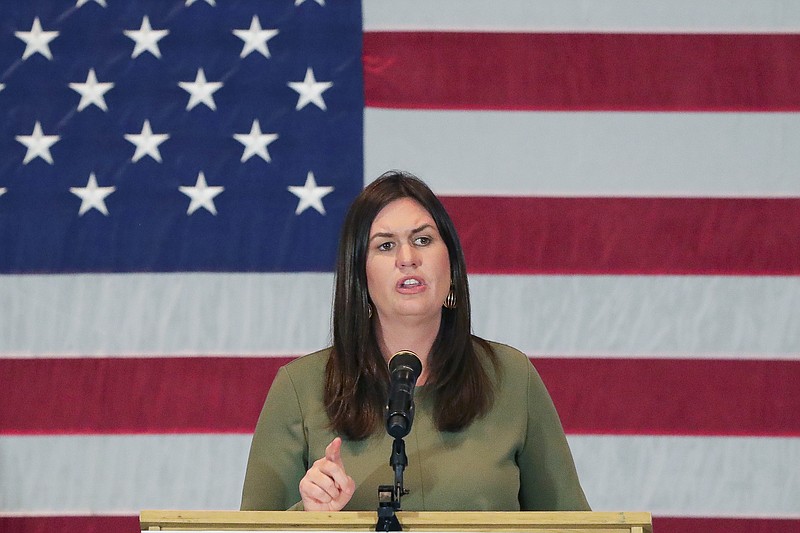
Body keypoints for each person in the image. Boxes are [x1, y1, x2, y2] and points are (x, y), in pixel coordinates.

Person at [240, 170, 589, 512]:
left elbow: (575, 525)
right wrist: (310, 516)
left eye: (422, 240)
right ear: (359, 275)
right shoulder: (300, 389)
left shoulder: (511, 377)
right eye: (386, 245)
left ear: (450, 266)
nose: (408, 259)